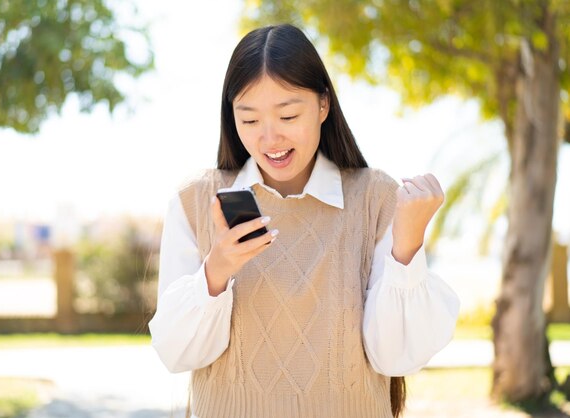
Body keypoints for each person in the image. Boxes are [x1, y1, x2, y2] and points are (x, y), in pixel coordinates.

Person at [149, 23, 460, 418]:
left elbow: (394, 358)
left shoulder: (375, 199)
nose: (270, 138)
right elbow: (176, 354)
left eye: (288, 114)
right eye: (249, 120)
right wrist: (217, 271)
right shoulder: (195, 201)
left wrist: (408, 247)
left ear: (323, 105)